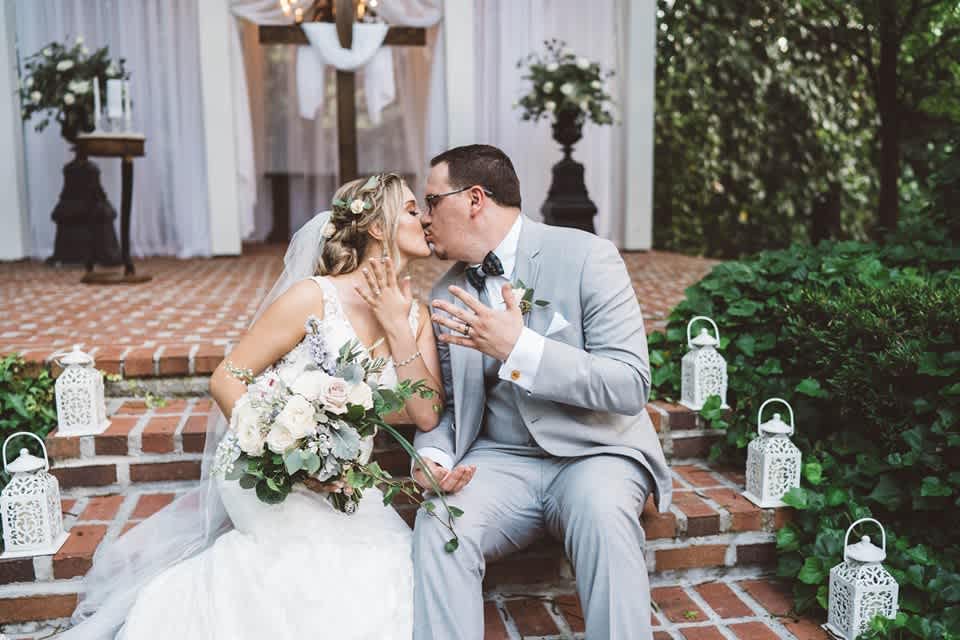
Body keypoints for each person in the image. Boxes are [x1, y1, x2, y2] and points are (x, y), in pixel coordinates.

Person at [60, 173, 443, 640]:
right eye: (411, 210)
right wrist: (288, 455)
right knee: (311, 571)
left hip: (347, 482)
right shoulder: (314, 297)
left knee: (383, 565)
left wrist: (397, 326)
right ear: (378, 227)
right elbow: (227, 378)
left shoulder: (417, 316)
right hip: (267, 467)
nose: (425, 219)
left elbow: (426, 414)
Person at [411, 144, 672, 640]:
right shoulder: (445, 294)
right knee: (440, 522)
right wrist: (433, 457)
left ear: (474, 199)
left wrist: (520, 349)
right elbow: (451, 407)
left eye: (432, 201)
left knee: (604, 517)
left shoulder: (588, 256)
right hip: (500, 460)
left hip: (595, 451)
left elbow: (629, 383)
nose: (425, 218)